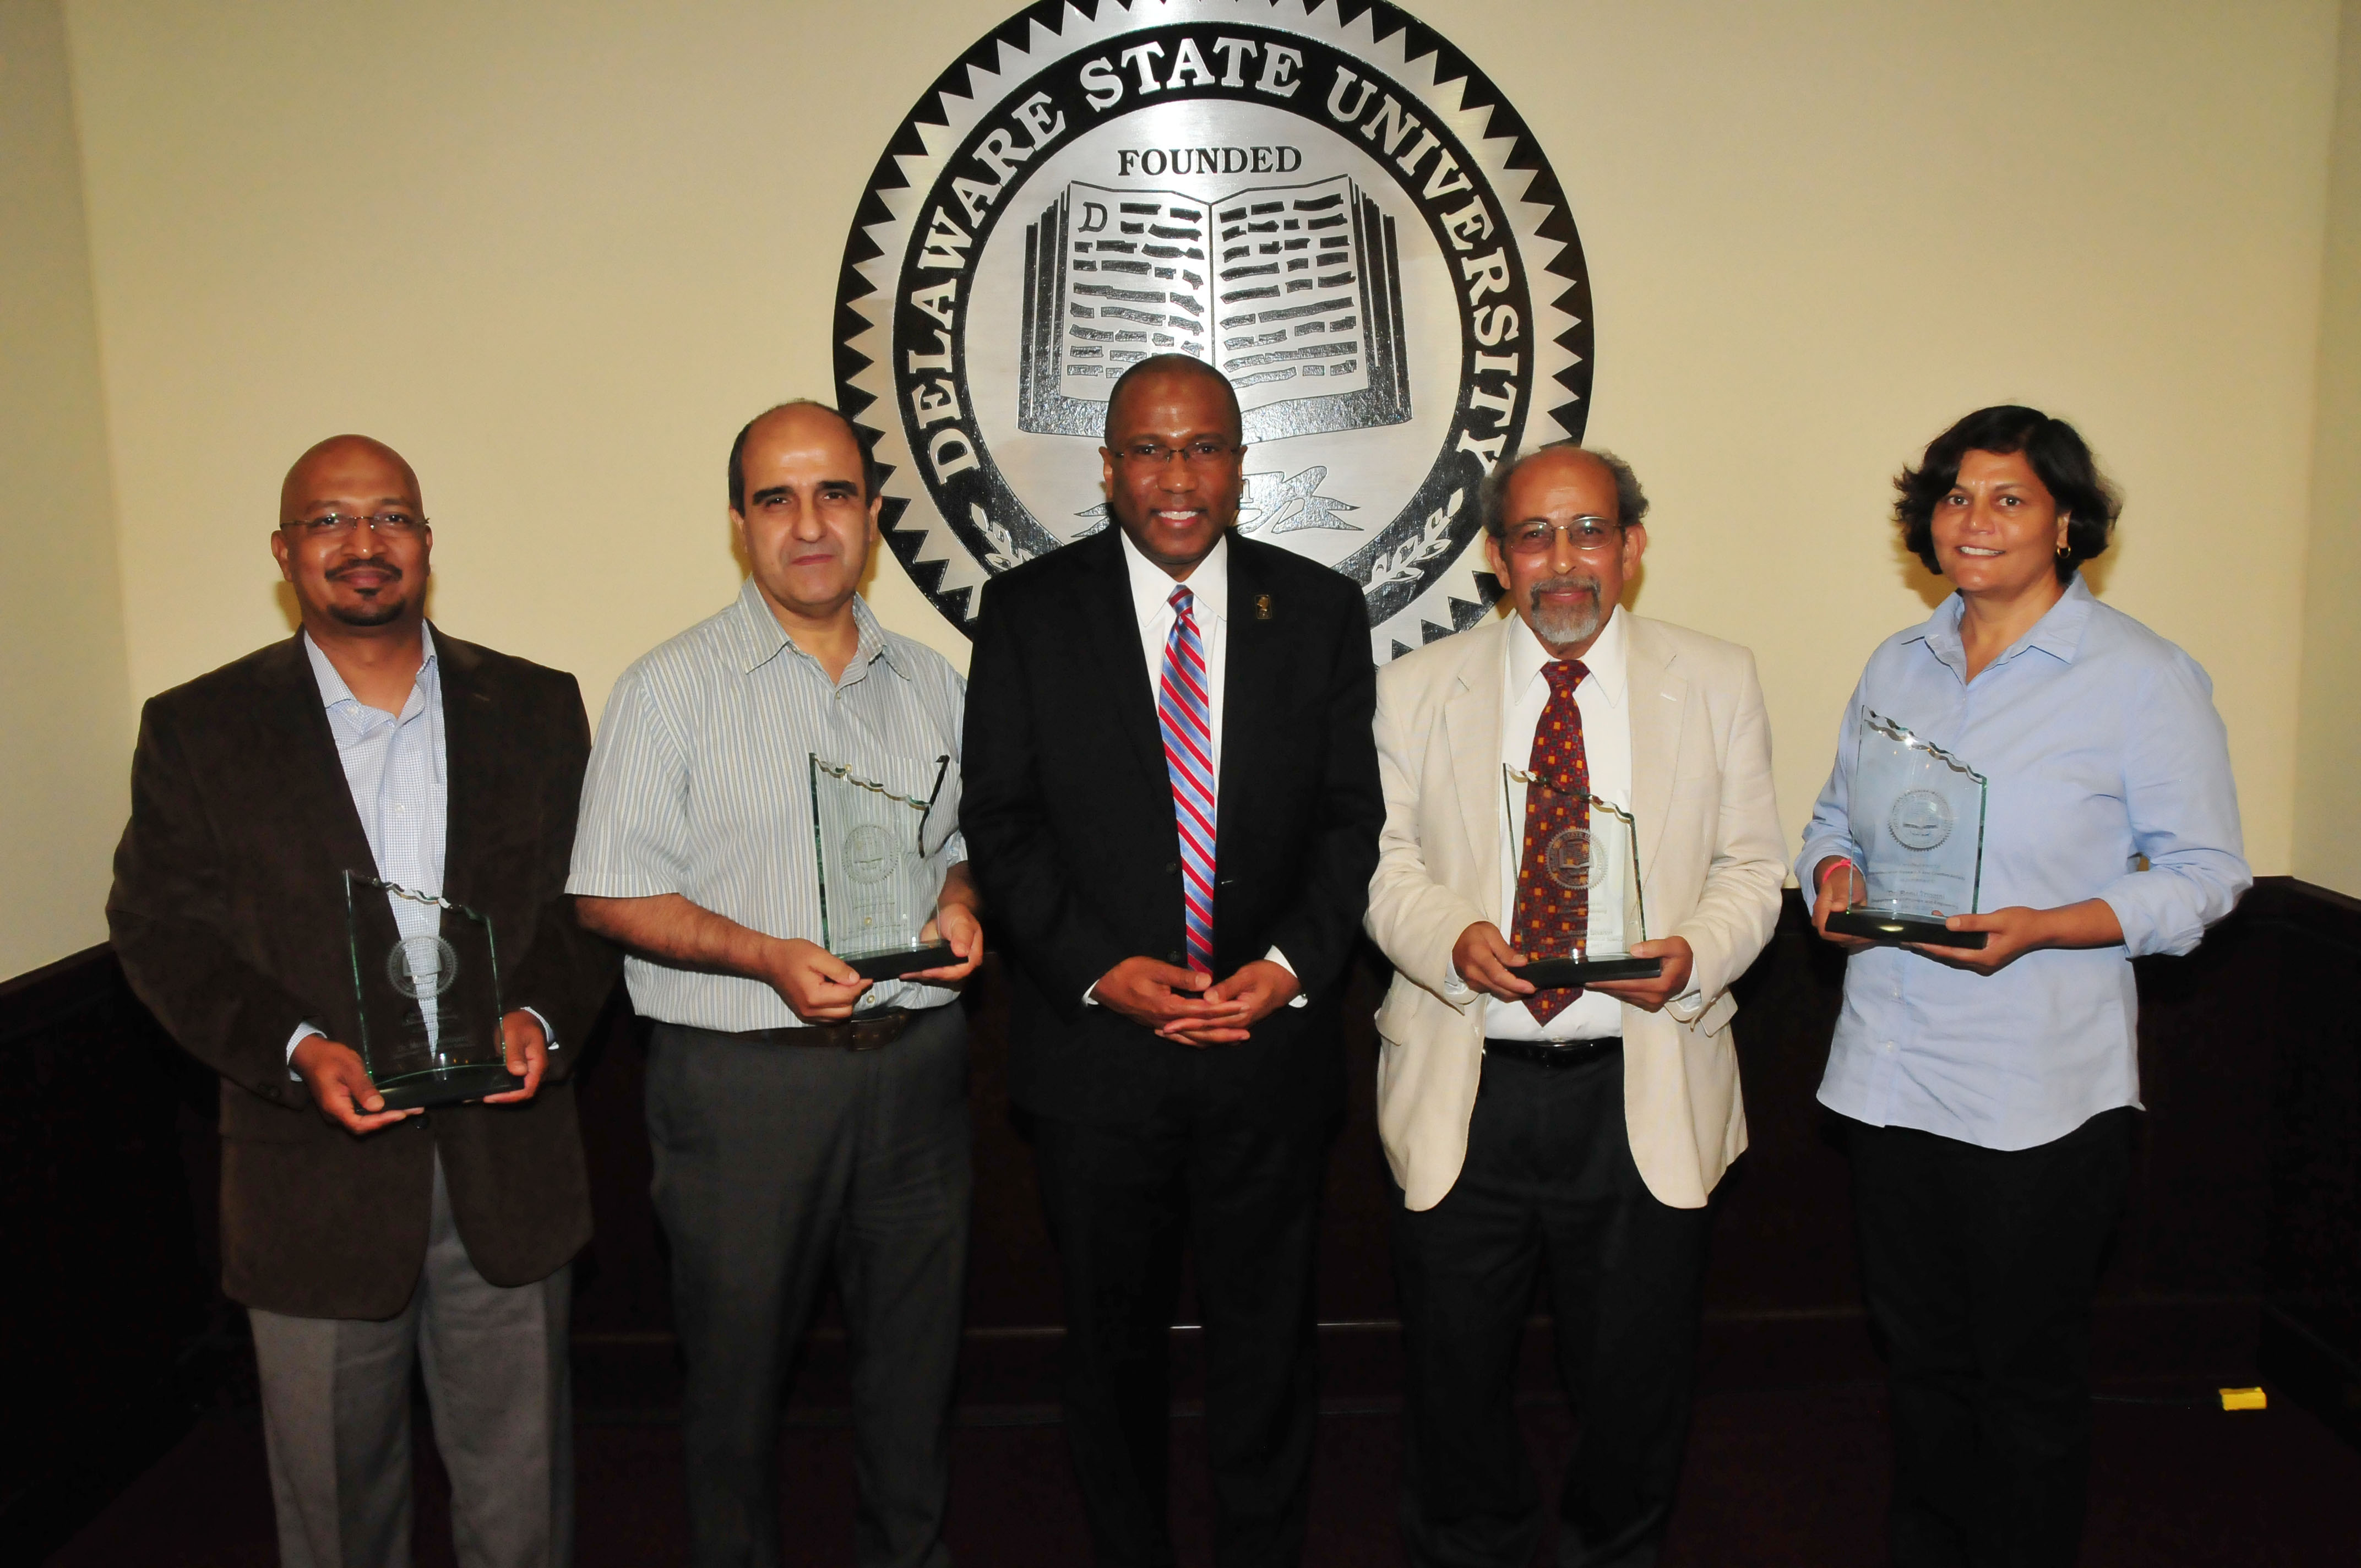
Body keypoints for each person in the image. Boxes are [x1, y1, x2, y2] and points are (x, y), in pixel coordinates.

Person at [107, 434, 619, 1568]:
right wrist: (296, 1047)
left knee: (521, 1506)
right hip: (312, 1184)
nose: (363, 541)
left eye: (389, 515)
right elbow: (159, 929)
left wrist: (539, 1012)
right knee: (337, 1517)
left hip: (508, 1173)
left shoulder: (535, 707)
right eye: (331, 518)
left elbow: (581, 906)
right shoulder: (199, 728)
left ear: (427, 543)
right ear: (286, 550)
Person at [1800, 405, 2250, 1566]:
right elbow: (1829, 823)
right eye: (1955, 494)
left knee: (2024, 1383)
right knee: (1918, 1367)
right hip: (1888, 1079)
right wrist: (1832, 871)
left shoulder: (2137, 676)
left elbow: (2205, 876)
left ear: (2064, 522)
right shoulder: (1893, 663)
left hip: (2038, 1093)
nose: (1975, 518)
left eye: (2008, 497)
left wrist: (2050, 924)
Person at [959, 355, 1383, 1567]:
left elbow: (1351, 819)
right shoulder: (1029, 612)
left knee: (1267, 1347)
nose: (1177, 475)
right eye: (1149, 449)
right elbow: (1003, 821)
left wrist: (1293, 963)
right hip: (1098, 1059)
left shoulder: (1316, 611)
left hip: (1269, 1048)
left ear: (1241, 468)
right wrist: (1103, 970)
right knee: (1108, 1349)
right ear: (1106, 469)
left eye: (1203, 447)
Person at [568, 401, 984, 1568]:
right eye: (776, 498)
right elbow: (607, 890)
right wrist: (762, 953)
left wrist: (961, 898)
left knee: (914, 1373)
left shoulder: (934, 682)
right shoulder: (669, 687)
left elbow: (964, 843)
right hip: (740, 1086)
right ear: (740, 522)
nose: (809, 524)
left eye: (835, 494)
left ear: (873, 514)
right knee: (735, 1386)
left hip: (915, 1075)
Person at [1362, 442, 1785, 1568]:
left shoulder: (1716, 677)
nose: (1563, 562)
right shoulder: (1412, 687)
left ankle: (1614, 1548)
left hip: (1639, 1081)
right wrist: (1451, 937)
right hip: (1468, 1080)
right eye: (1535, 537)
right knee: (1454, 1379)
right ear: (1498, 559)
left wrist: (1693, 951)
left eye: (1587, 531)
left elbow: (1752, 868)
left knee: (1636, 1385)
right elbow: (1381, 869)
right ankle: (1474, 1543)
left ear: (1630, 547)